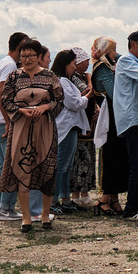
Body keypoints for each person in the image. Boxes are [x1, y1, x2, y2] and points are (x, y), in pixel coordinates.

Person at [0, 43, 62, 233]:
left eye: (31, 55)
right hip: (21, 127)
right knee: (21, 168)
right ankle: (25, 217)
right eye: (23, 56)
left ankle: (44, 215)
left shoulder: (49, 76)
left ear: (38, 56)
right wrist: (20, 110)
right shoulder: (14, 76)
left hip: (45, 127)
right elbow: (5, 100)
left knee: (47, 169)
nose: (26, 59)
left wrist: (46, 107)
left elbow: (59, 99)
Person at [0, 34, 31, 222]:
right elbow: (2, 95)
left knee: (2, 165)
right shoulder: (10, 65)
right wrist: (10, 121)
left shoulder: (2, 63)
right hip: (5, 122)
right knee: (12, 166)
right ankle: (6, 207)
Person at [112, 31, 138, 218]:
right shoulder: (126, 61)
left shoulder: (134, 62)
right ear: (134, 44)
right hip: (133, 119)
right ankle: (131, 209)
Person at [50, 48, 93, 213]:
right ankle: (54, 201)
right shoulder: (62, 81)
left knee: (67, 166)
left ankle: (65, 198)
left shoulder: (66, 81)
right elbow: (73, 104)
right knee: (61, 165)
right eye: (73, 64)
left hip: (71, 127)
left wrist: (80, 97)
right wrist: (86, 97)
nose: (75, 67)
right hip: (66, 127)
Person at [89, 38, 124, 215]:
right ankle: (104, 198)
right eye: (113, 50)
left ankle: (114, 197)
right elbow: (114, 91)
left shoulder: (110, 67)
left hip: (115, 115)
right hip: (109, 116)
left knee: (118, 156)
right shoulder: (102, 69)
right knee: (111, 157)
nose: (116, 53)